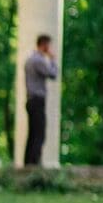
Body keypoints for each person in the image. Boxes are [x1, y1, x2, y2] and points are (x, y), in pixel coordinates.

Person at [23, 34, 59, 167]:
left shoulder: (29, 60)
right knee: (39, 133)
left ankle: (29, 162)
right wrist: (53, 59)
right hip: (37, 100)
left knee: (32, 133)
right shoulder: (38, 61)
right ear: (44, 45)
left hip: (31, 100)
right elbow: (53, 74)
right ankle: (34, 163)